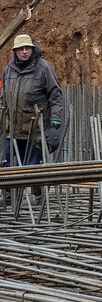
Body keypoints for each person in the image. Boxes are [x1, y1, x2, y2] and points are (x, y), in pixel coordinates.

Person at [1, 34, 65, 199]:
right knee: (6, 161)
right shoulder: (9, 70)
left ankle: (38, 196)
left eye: (27, 48)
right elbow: (4, 97)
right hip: (13, 128)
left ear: (32, 48)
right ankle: (8, 195)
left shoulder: (44, 68)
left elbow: (55, 95)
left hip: (35, 128)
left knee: (33, 167)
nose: (24, 52)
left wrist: (56, 118)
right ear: (15, 51)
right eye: (20, 49)